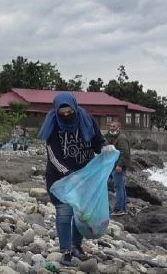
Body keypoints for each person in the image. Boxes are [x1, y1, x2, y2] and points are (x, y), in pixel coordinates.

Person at [38, 92, 113, 266]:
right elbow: (53, 156)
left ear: (74, 107)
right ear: (56, 111)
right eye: (62, 113)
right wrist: (69, 175)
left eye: (69, 112)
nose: (66, 116)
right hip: (60, 177)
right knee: (64, 213)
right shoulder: (53, 125)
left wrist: (105, 148)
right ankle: (66, 251)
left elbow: (97, 142)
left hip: (84, 175)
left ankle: (77, 246)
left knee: (81, 214)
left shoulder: (87, 120)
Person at [105, 120, 131, 216]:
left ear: (119, 128)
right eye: (111, 126)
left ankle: (119, 208)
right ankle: (123, 207)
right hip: (113, 165)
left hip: (119, 166)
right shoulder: (111, 137)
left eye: (114, 126)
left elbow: (125, 153)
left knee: (118, 186)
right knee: (121, 186)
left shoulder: (121, 138)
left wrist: (120, 165)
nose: (111, 128)